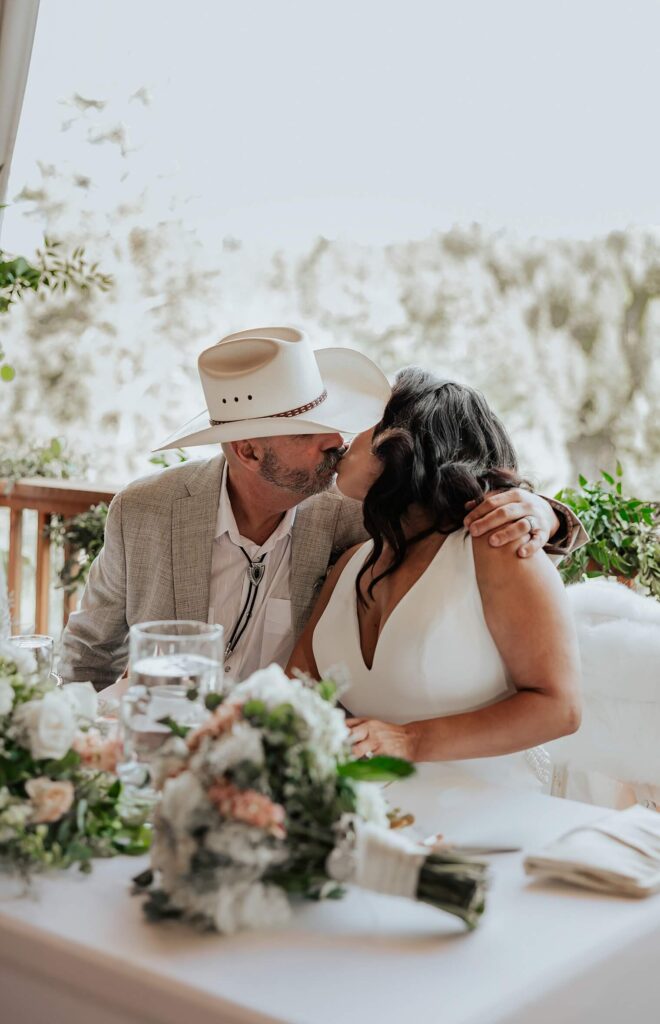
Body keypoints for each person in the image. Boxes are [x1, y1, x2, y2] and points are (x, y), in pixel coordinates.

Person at [58, 328, 585, 690]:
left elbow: (461, 519)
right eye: (310, 433)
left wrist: (547, 513)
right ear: (248, 450)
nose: (337, 439)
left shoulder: (357, 511)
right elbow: (90, 652)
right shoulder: (146, 510)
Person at [287, 366, 582, 782]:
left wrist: (410, 742)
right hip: (368, 809)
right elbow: (295, 692)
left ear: (407, 440)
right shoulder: (350, 565)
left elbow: (560, 708)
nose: (343, 437)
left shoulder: (496, 549)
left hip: (490, 812)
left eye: (366, 420)